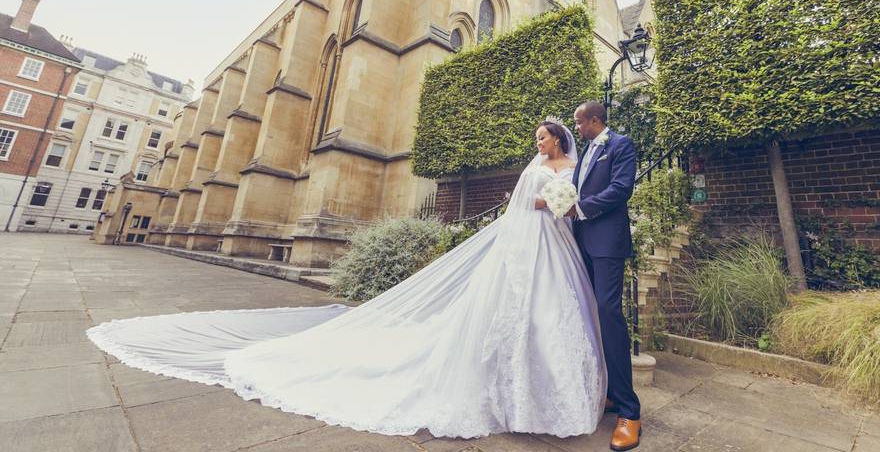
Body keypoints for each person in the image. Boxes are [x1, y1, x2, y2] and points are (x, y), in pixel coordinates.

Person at [87, 121, 607, 440]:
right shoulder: (536, 168)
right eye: (537, 139)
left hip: (553, 246)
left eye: (543, 138)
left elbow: (568, 203)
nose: (538, 144)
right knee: (515, 310)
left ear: (560, 138)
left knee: (550, 313)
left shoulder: (571, 164)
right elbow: (528, 203)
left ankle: (540, 392)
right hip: (527, 241)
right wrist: (546, 199)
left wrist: (561, 201)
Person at [572, 100, 642, 451]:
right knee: (590, 315)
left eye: (580, 122)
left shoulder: (620, 145)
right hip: (580, 242)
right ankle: (611, 393)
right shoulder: (585, 152)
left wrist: (581, 208)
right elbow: (576, 191)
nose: (577, 128)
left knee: (610, 314)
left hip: (607, 244)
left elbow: (621, 189)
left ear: (595, 120)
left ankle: (629, 411)